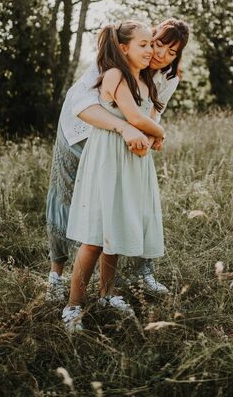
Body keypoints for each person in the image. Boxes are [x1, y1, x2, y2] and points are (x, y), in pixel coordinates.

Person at [45, 18, 189, 301]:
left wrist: (148, 138)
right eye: (158, 44)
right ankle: (56, 276)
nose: (160, 54)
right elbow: (83, 106)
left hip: (124, 143)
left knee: (127, 206)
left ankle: (135, 275)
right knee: (66, 199)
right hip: (81, 132)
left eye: (171, 52)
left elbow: (152, 115)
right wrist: (132, 129)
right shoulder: (116, 62)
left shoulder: (168, 77)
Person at [62, 20, 166, 331]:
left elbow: (144, 121)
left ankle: (106, 294)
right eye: (143, 45)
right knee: (95, 236)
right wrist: (161, 133)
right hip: (109, 157)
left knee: (116, 227)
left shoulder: (145, 80)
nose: (151, 51)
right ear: (123, 48)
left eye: (151, 44)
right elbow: (134, 117)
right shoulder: (115, 74)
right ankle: (73, 305)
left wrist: (151, 137)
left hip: (132, 161)